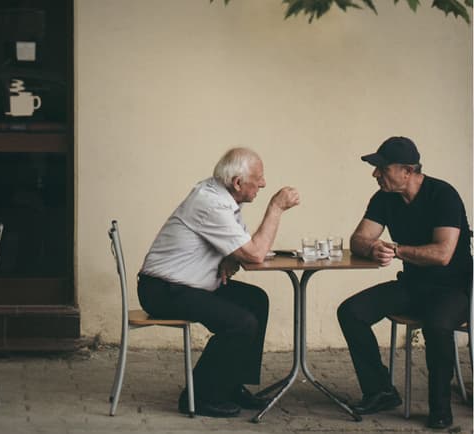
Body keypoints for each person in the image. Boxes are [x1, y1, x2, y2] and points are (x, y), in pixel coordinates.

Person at [137, 147, 300, 417]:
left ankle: (230, 384)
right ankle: (199, 396)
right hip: (163, 290)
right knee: (240, 323)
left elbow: (243, 249)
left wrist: (231, 256)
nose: (263, 183)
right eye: (258, 178)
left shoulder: (222, 198)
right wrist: (276, 207)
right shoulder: (210, 202)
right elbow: (255, 253)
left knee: (255, 300)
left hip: (188, 285)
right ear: (238, 183)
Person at [337, 136, 472, 430]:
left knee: (437, 325)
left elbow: (443, 253)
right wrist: (371, 248)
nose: (375, 174)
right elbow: (358, 239)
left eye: (382, 168)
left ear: (408, 171)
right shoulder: (384, 198)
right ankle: (380, 391)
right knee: (351, 311)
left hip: (454, 289)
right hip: (412, 285)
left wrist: (397, 250)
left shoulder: (443, 195)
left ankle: (440, 407)